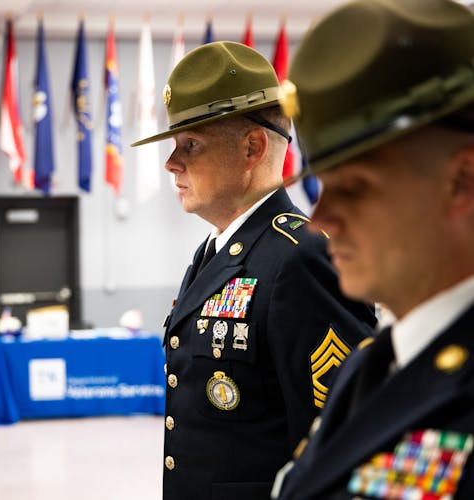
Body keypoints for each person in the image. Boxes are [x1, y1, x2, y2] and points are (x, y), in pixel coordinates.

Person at [130, 41, 377, 499]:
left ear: (252, 147)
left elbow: (338, 442)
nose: (171, 163)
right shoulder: (215, 250)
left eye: (191, 145)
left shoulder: (301, 258)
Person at [270, 0, 474, 499]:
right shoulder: (370, 367)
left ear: (463, 181)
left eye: (355, 189)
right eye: (321, 187)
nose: (319, 222)